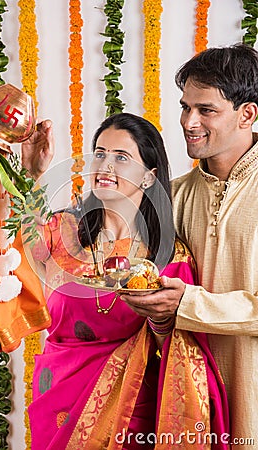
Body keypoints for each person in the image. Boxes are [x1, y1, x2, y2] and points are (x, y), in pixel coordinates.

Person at [22, 113, 229, 449]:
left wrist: (160, 320)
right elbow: (7, 243)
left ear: (150, 176)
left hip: (130, 412)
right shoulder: (62, 234)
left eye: (121, 157)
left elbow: (179, 352)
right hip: (56, 396)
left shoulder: (167, 259)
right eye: (100, 153)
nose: (105, 166)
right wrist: (33, 172)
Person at [121, 43, 258, 448]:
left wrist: (189, 305)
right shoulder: (172, 197)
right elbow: (100, 242)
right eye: (185, 107)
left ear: (247, 114)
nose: (188, 121)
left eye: (206, 110)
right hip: (190, 411)